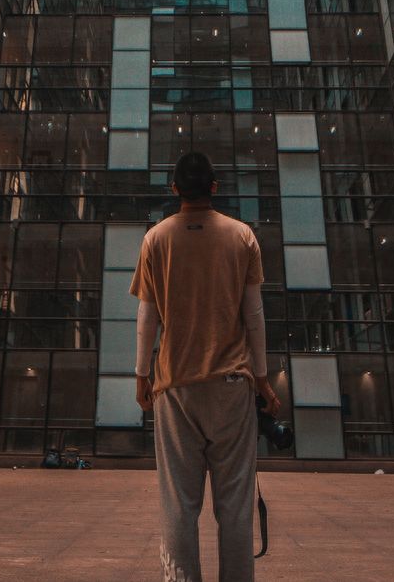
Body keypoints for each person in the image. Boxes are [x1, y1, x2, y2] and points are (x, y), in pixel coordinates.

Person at [131, 150, 281, 582]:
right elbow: (254, 315)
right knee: (234, 507)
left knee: (179, 504)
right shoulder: (242, 236)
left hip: (174, 386)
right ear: (214, 187)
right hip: (232, 384)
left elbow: (147, 317)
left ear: (174, 189)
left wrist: (142, 375)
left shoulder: (155, 239)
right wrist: (263, 380)